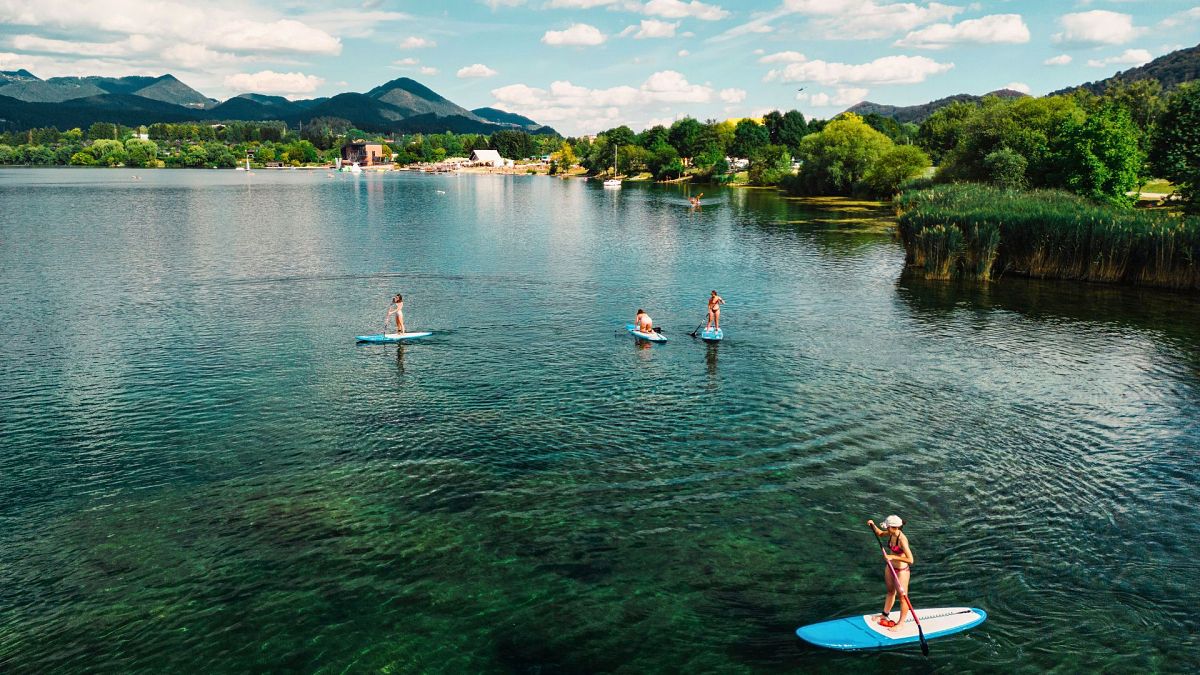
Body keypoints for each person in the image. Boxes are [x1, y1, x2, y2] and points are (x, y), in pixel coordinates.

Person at [867, 515, 914, 632]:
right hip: (890, 567)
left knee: (903, 598)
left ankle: (901, 623)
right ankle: (885, 614)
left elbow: (911, 560)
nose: (886, 529)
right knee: (890, 592)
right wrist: (872, 525)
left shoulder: (902, 540)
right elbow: (880, 534)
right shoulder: (891, 533)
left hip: (902, 571)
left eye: (888, 527)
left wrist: (892, 556)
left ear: (895, 527)